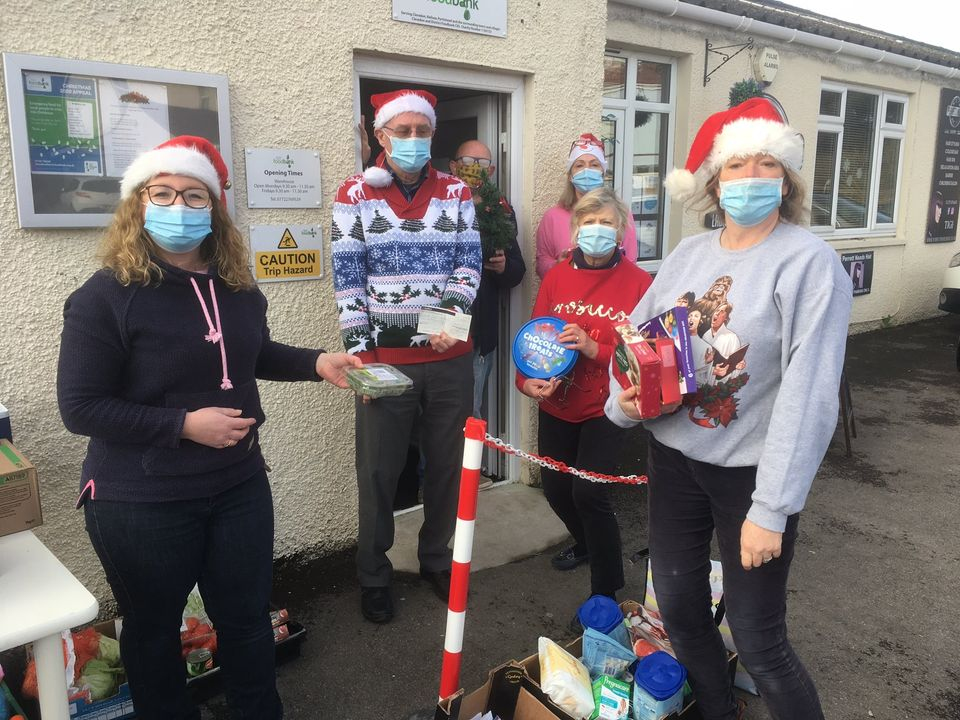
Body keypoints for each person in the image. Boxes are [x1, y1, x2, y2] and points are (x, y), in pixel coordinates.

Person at [56, 136, 360, 720]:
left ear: (214, 207)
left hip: (238, 486)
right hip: (141, 500)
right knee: (152, 633)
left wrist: (317, 363)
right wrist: (183, 425)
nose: (178, 205)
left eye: (193, 194)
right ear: (138, 204)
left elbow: (252, 354)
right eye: (162, 192)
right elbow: (81, 406)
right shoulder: (105, 297)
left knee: (246, 622)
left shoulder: (237, 288)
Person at [606, 98, 853, 720]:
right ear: (715, 180)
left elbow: (810, 393)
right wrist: (626, 398)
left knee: (758, 640)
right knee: (683, 613)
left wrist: (771, 509)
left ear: (787, 179)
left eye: (767, 163)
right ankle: (716, 711)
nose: (750, 177)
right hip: (674, 461)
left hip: (749, 477)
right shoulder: (689, 255)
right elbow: (638, 340)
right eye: (737, 164)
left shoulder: (808, 264)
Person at [331, 89, 482, 623]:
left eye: (424, 131)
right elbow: (348, 281)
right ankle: (374, 574)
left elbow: (470, 263)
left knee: (446, 467)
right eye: (404, 130)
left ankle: (436, 559)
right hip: (383, 363)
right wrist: (359, 356)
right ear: (381, 135)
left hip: (448, 358)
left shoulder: (458, 192)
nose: (415, 140)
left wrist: (448, 319)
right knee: (378, 471)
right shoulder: (354, 195)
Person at [517, 187, 652, 598]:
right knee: (556, 489)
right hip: (558, 402)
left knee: (589, 492)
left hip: (608, 405)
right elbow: (533, 341)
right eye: (589, 223)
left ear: (622, 230)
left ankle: (606, 593)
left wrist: (596, 349)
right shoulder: (557, 277)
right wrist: (526, 382)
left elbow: (645, 357)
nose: (597, 230)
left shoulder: (639, 283)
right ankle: (590, 544)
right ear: (575, 230)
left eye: (606, 223)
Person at [449, 140, 526, 419]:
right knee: (432, 422)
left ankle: (470, 465)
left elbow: (519, 271)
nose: (474, 169)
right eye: (468, 162)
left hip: (479, 335)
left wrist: (505, 267)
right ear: (454, 166)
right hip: (440, 331)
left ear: (491, 171)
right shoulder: (435, 207)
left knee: (470, 413)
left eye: (481, 164)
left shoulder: (501, 211)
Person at [535, 133, 639, 278]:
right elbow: (541, 263)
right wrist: (557, 266)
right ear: (570, 175)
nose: (587, 171)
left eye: (594, 165)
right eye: (579, 165)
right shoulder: (552, 217)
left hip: (610, 293)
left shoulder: (621, 213)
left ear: (602, 173)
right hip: (568, 293)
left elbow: (631, 261)